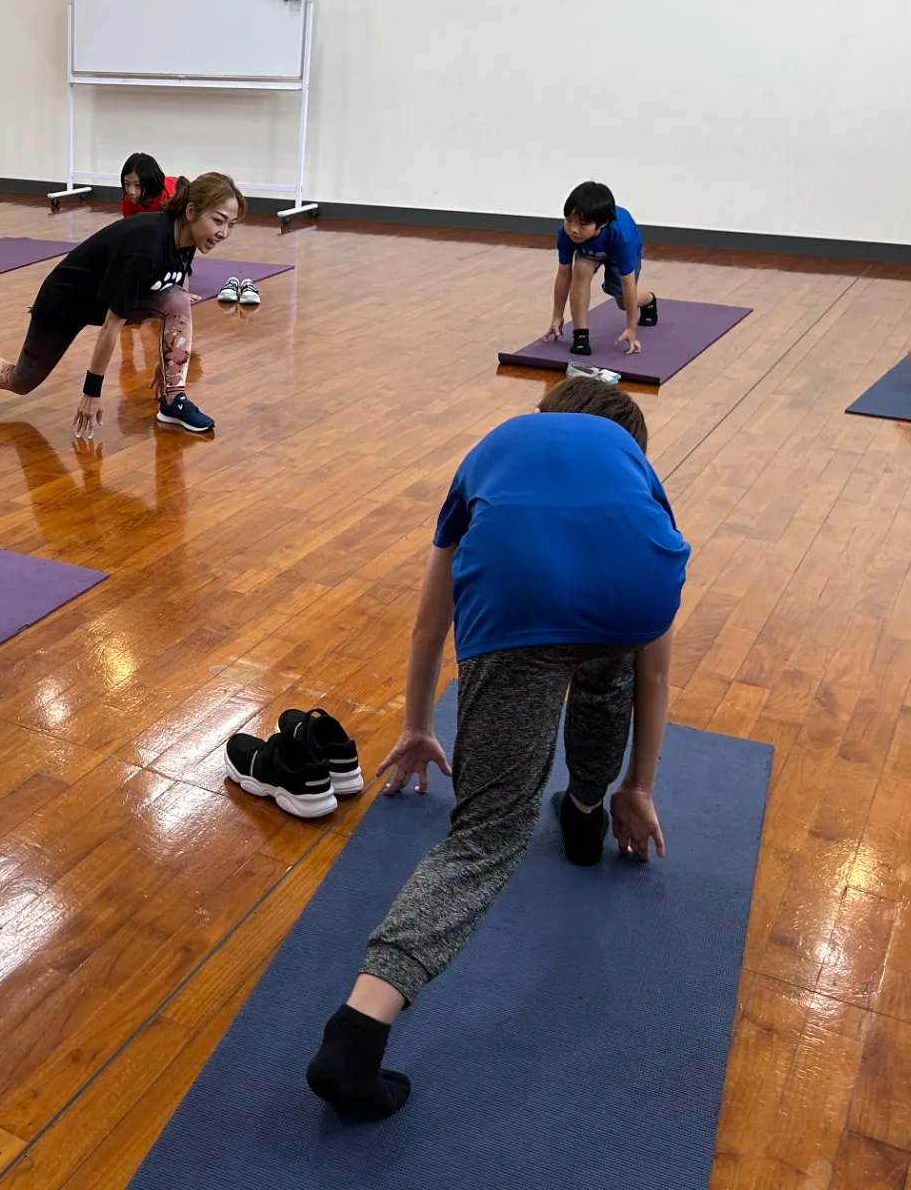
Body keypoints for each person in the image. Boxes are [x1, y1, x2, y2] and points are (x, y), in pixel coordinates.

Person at [305, 376, 689, 1120]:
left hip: (517, 602)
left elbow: (427, 625)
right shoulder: (636, 471)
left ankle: (357, 1033)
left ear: (547, 416)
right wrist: (637, 790)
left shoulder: (498, 447)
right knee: (607, 674)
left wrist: (419, 726)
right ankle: (585, 807)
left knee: (485, 838)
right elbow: (657, 667)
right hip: (632, 604)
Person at [0, 170, 241, 439]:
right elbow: (111, 327)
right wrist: (92, 391)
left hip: (100, 298)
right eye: (219, 221)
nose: (224, 232)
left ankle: (174, 401)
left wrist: (167, 360)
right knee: (18, 380)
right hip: (63, 303)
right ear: (191, 212)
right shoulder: (145, 246)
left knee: (177, 299)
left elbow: (173, 294)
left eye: (231, 225)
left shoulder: (188, 240)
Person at [544, 181, 658, 358]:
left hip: (616, 250)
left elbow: (628, 285)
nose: (573, 229)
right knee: (580, 269)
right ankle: (580, 335)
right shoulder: (566, 234)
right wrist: (556, 317)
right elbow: (563, 274)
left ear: (602, 223)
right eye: (568, 220)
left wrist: (631, 328)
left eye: (582, 224)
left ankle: (649, 300)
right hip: (589, 250)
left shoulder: (622, 237)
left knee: (622, 300)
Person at [119, 152, 179, 216]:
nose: (131, 192)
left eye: (138, 185)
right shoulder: (128, 199)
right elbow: (128, 224)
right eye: (127, 184)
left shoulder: (170, 195)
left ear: (151, 184)